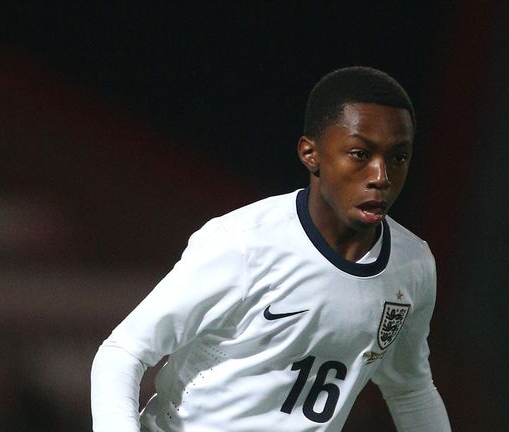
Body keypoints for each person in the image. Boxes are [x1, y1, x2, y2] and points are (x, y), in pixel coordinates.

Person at [90, 66, 451, 431]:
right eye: (360, 153)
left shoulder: (412, 266)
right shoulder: (243, 245)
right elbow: (123, 353)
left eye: (399, 157)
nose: (381, 176)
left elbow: (409, 389)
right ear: (311, 155)